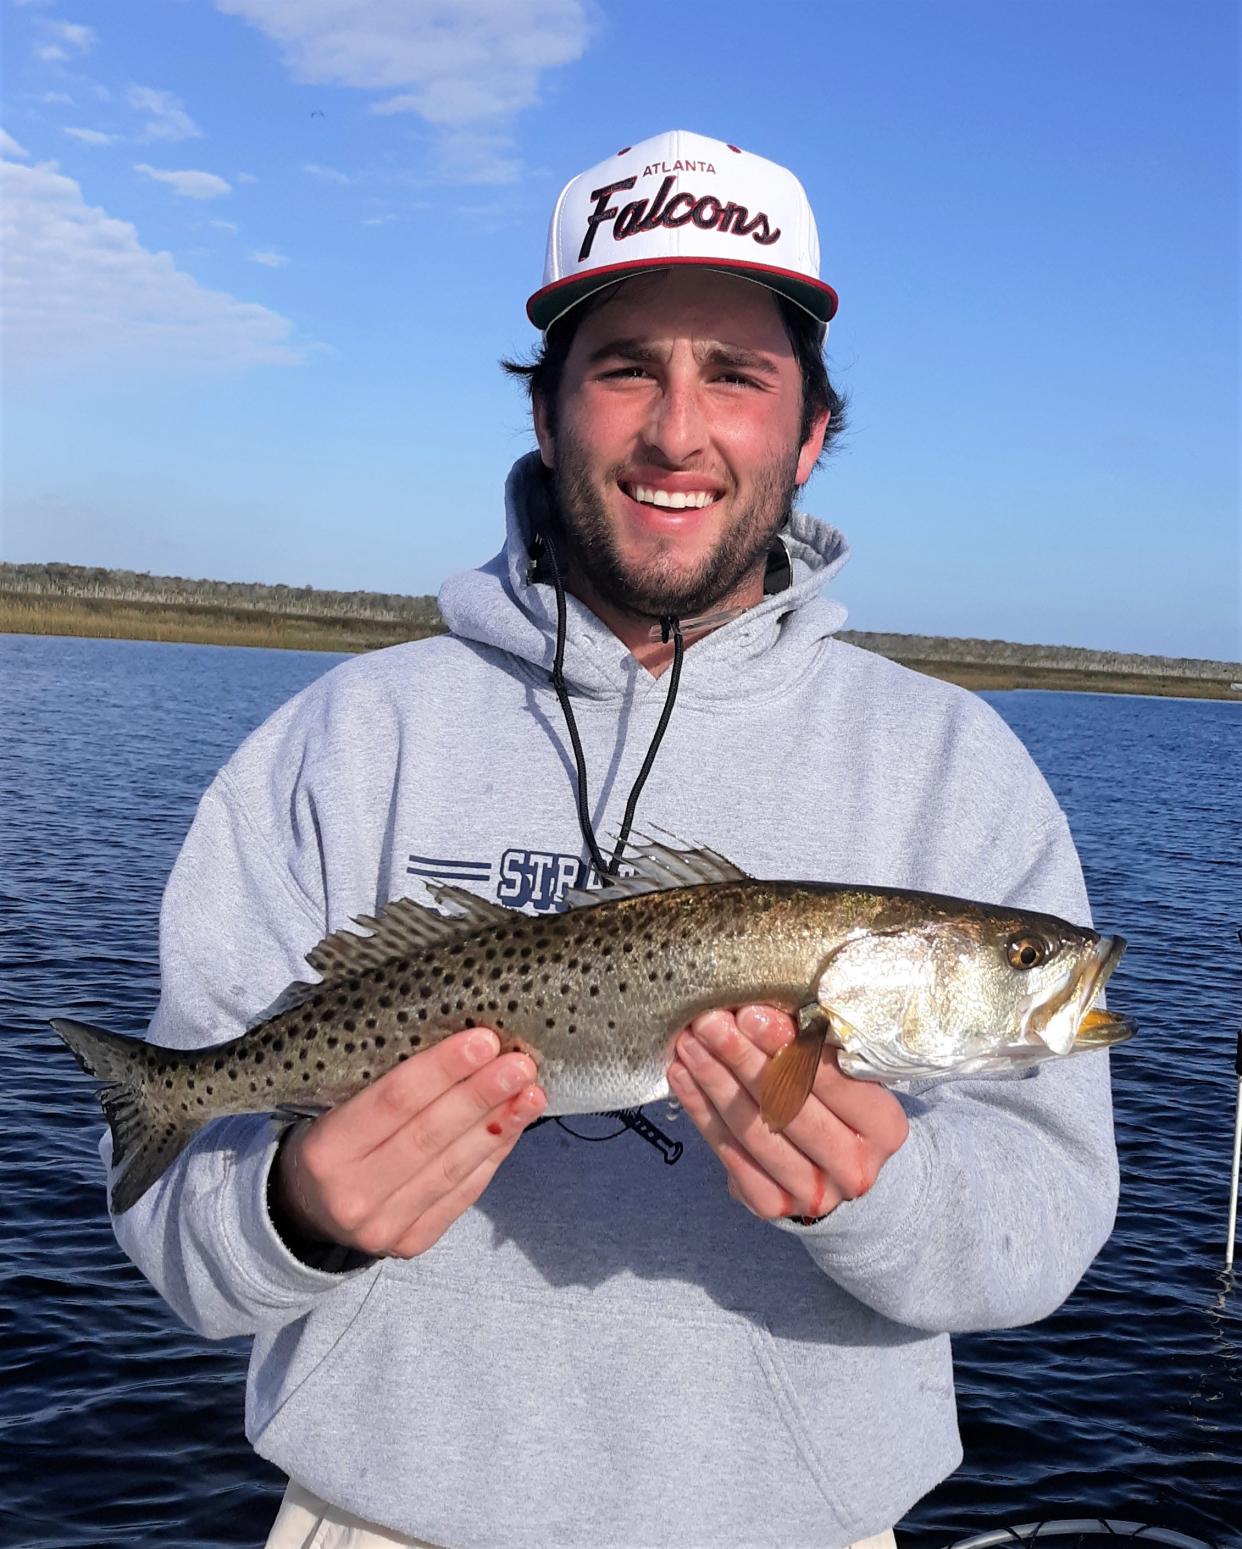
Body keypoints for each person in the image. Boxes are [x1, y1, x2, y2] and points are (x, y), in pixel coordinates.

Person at [107, 130, 1119, 1549]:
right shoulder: (335, 740)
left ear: (812, 430)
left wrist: (879, 1194)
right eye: (626, 365)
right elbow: (179, 1257)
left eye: (738, 375)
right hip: (375, 1516)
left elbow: (1044, 1228)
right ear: (548, 410)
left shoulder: (958, 765)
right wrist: (295, 1206)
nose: (675, 429)